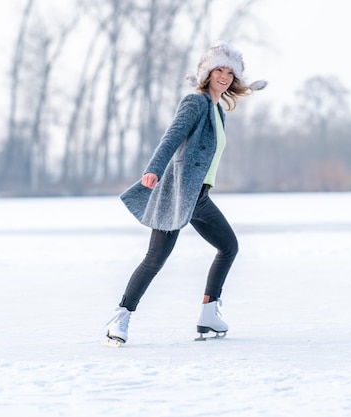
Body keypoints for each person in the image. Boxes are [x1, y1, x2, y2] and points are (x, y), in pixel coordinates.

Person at [106, 40, 266, 345]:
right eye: (218, 70)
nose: (224, 76)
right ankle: (120, 319)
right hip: (178, 193)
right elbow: (171, 137)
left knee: (228, 247)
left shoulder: (219, 112)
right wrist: (153, 169)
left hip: (200, 197)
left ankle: (208, 314)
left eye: (229, 73)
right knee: (155, 258)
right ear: (207, 73)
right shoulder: (195, 103)